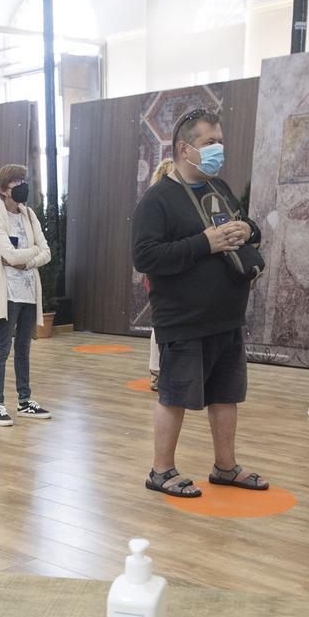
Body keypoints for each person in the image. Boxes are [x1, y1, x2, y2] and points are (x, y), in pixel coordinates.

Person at [130, 108, 270, 499]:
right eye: (210, 142)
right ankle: (161, 471)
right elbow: (145, 257)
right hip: (184, 320)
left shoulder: (219, 188)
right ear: (184, 148)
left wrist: (249, 228)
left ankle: (226, 467)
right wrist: (204, 244)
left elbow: (243, 227)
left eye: (220, 141)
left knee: (227, 395)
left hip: (226, 317)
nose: (218, 149)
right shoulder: (157, 201)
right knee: (174, 397)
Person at [0, 164, 53, 426]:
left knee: (24, 349)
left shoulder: (29, 214)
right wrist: (32, 252)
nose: (22, 185)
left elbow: (46, 251)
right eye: (16, 182)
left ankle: (25, 401)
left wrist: (29, 259)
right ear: (3, 189)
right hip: (8, 292)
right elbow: (8, 255)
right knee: (2, 349)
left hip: (29, 291)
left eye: (24, 180)